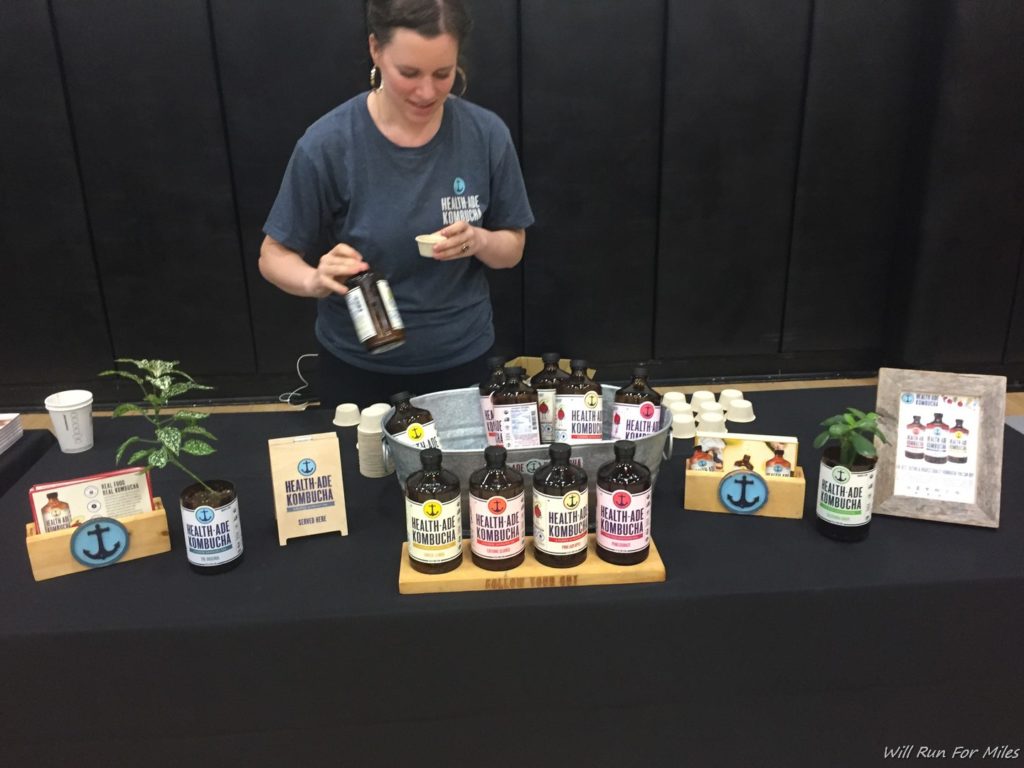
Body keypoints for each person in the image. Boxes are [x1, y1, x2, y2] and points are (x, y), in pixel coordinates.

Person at [259, 0, 533, 409]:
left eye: (443, 74)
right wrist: (314, 279)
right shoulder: (329, 143)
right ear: (375, 49)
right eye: (409, 73)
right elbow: (272, 255)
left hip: (462, 362)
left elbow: (512, 247)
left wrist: (478, 240)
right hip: (359, 369)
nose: (427, 92)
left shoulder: (486, 134)